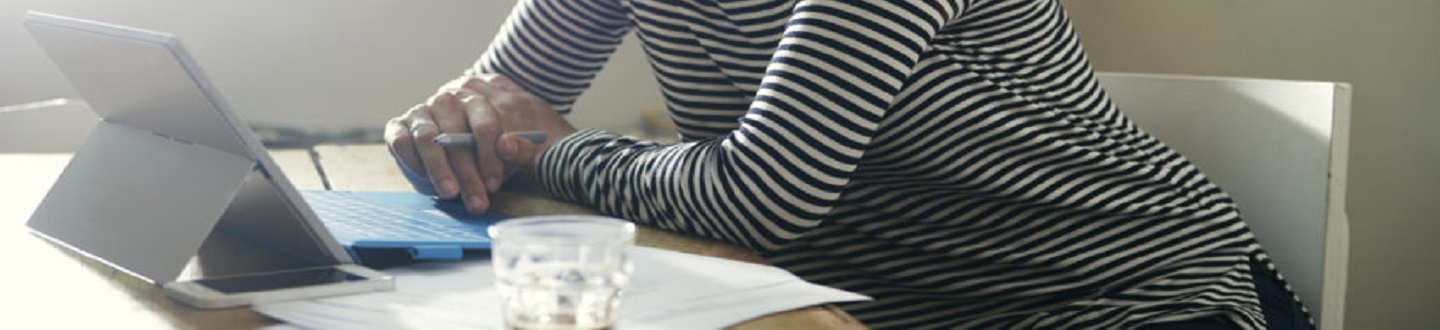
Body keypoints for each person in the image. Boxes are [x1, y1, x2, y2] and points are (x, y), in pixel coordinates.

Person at [384, 0, 1312, 328]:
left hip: (1113, 300)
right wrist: (436, 131)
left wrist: (553, 150)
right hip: (878, 311)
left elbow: (764, 197)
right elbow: (488, 120)